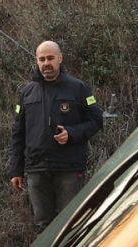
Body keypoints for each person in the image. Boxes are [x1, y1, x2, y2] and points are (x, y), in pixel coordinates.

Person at [7, 40, 104, 231]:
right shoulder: (27, 93)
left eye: (50, 58)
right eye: (41, 59)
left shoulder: (78, 88)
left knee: (72, 225)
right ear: (36, 61)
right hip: (36, 170)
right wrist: (16, 170)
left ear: (60, 58)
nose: (46, 63)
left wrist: (72, 133)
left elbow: (96, 120)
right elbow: (18, 133)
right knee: (43, 227)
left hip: (68, 168)